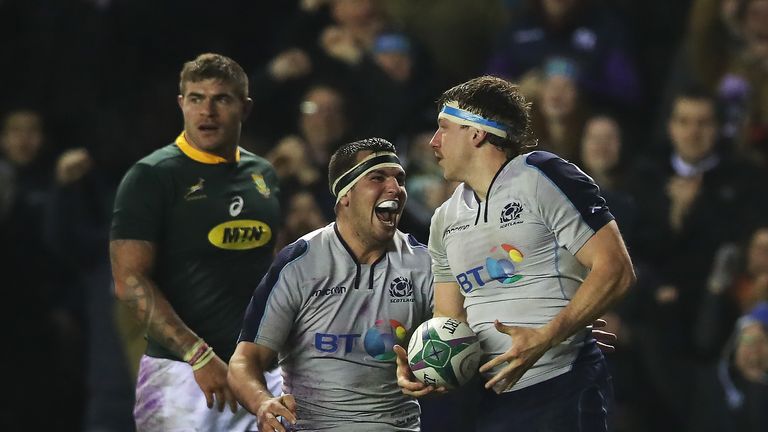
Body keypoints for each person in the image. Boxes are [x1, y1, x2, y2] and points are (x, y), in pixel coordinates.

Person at [395, 75, 635, 431]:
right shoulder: (444, 219)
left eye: (444, 128)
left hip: (561, 384)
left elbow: (616, 269)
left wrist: (549, 335)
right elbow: (450, 323)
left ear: (476, 133)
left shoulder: (542, 176)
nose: (433, 142)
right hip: (492, 401)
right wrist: (428, 369)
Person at [109, 53, 282, 431]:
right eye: (196, 98)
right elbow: (129, 281)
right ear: (180, 104)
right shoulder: (151, 177)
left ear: (245, 108)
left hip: (260, 376)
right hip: (181, 378)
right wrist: (197, 355)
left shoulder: (264, 174)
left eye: (221, 99)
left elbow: (269, 270)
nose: (208, 110)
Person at [228, 137, 433, 432]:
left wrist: (437, 375)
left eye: (399, 179)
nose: (395, 189)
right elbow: (244, 361)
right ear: (345, 195)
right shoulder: (300, 263)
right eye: (378, 177)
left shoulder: (423, 264)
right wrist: (262, 402)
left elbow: (451, 339)